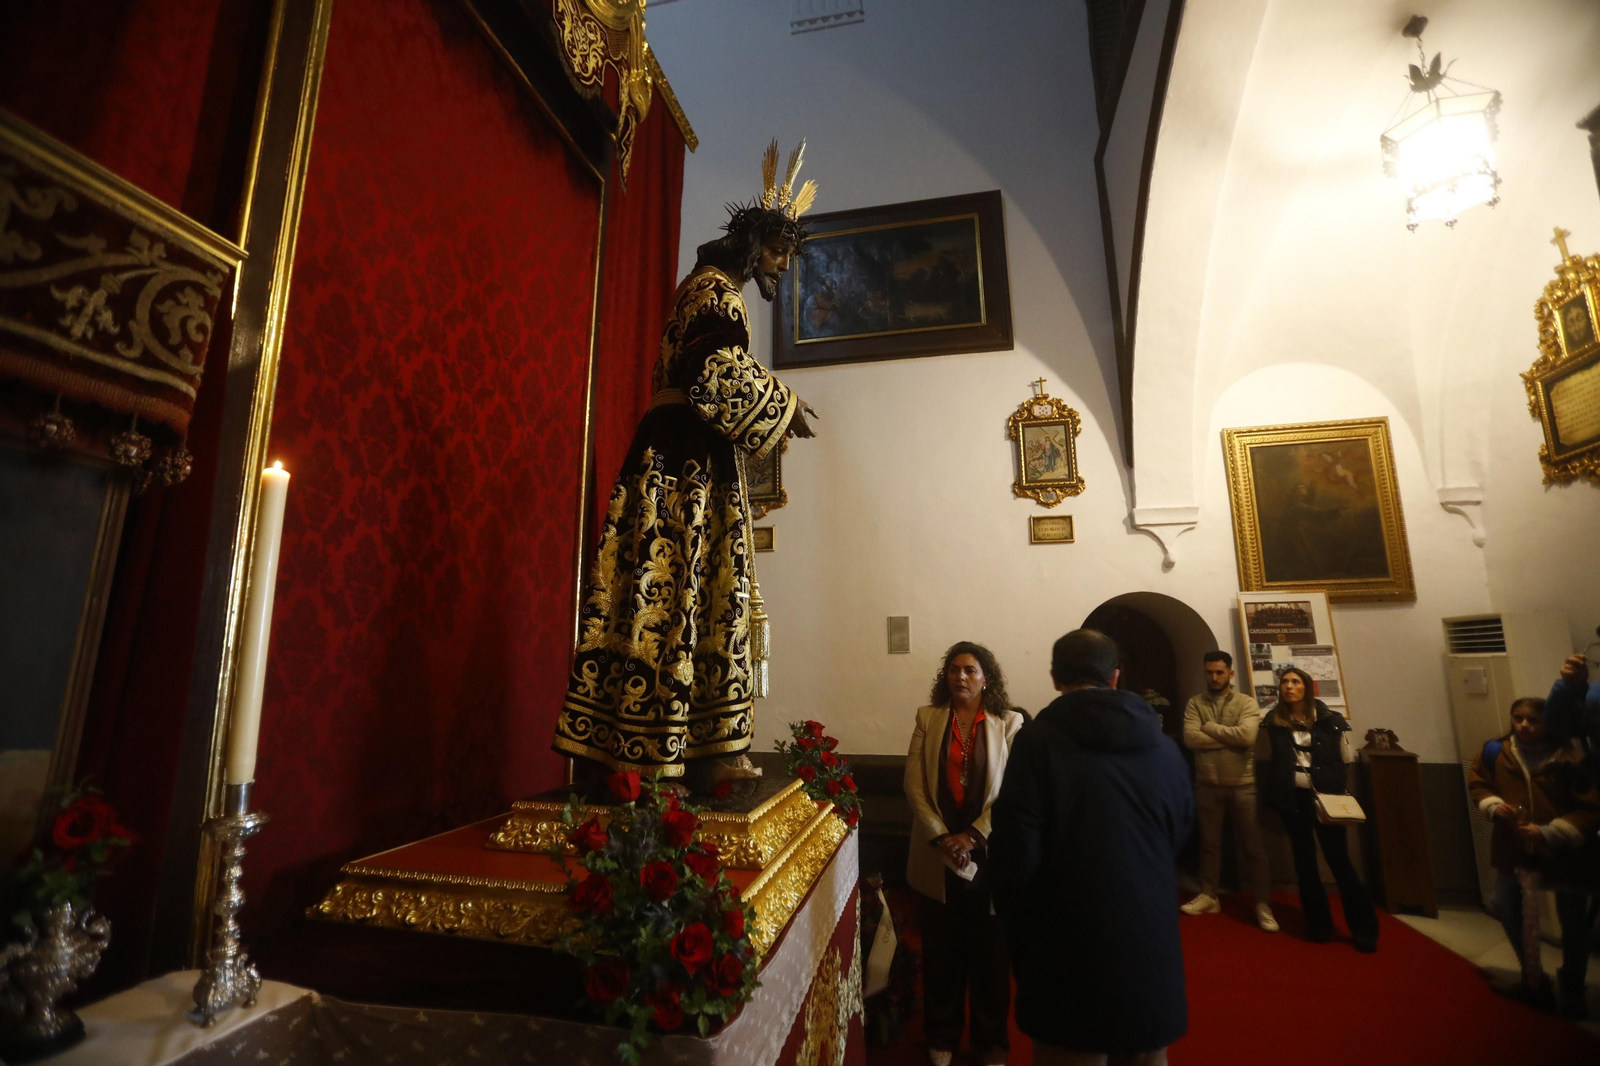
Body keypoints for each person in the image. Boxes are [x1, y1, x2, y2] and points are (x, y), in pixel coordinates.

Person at [554, 141, 821, 783]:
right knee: (679, 590)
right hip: (683, 468)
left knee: (699, 594)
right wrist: (785, 409)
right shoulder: (715, 295)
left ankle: (699, 741)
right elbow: (710, 371)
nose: (782, 267)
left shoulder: (699, 289)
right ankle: (668, 746)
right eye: (779, 251)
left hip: (684, 454)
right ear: (754, 242)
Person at [989, 630, 1192, 1066]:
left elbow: (1016, 851)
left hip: (1066, 946)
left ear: (1056, 677)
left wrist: (1012, 922)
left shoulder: (1038, 741)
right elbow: (1179, 833)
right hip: (1148, 940)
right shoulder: (1164, 747)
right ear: (1115, 677)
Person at [904, 642, 1025, 1066]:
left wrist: (974, 836)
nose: (961, 677)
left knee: (991, 958)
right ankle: (941, 1035)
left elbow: (1014, 792)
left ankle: (990, 1044)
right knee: (942, 952)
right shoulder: (928, 718)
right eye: (954, 670)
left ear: (986, 677)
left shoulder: (1010, 723)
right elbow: (915, 785)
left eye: (971, 670)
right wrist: (941, 837)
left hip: (990, 858)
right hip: (939, 857)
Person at [1467, 696, 1599, 1017]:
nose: (1524, 724)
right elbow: (1478, 784)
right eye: (1518, 718)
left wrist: (1549, 832)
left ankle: (1572, 988)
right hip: (1516, 847)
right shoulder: (1497, 751)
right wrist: (1496, 805)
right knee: (1504, 903)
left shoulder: (1572, 758)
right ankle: (1533, 978)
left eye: (1532, 719)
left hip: (1565, 852)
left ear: (1548, 724)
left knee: (1573, 922)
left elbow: (1591, 809)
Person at [1260, 666, 1379, 952]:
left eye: (1295, 682)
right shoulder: (1274, 720)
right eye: (1285, 682)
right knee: (1305, 863)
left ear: (1306, 687)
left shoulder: (1330, 720)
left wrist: (1330, 786)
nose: (1289, 686)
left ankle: (1364, 928)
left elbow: (1344, 758)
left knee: (1339, 860)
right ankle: (1319, 925)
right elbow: (1270, 760)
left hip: (1326, 799)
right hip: (1293, 798)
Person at [1179, 651, 1276, 932]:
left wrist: (1210, 729)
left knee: (1253, 847)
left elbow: (1247, 738)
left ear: (1230, 673)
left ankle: (1262, 903)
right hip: (1207, 784)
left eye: (1220, 672)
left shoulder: (1246, 702)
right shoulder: (1195, 703)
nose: (1214, 677)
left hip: (1242, 784)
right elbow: (1190, 739)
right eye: (1209, 672)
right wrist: (1227, 736)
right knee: (1210, 845)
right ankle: (1210, 896)